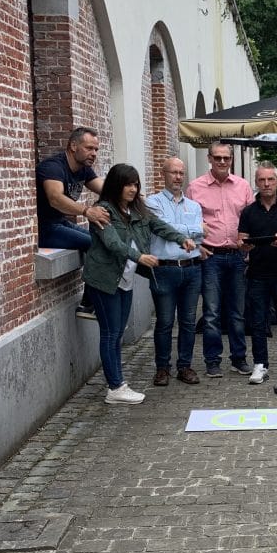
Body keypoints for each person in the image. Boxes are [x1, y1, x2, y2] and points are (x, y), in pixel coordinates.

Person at [83, 163, 195, 405]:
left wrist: (181, 239)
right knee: (110, 333)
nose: (133, 189)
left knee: (117, 333)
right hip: (104, 280)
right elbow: (113, 243)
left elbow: (159, 226)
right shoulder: (103, 210)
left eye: (135, 184)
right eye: (128, 184)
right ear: (116, 185)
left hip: (125, 279)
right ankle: (115, 387)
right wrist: (140, 257)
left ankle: (117, 384)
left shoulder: (136, 209)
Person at [186, 142, 254, 377]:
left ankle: (239, 358)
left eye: (226, 158)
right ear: (209, 158)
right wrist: (197, 246)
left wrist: (249, 248)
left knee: (237, 312)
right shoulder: (195, 188)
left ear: (231, 159)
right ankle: (212, 360)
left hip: (237, 256)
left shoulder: (243, 186)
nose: (222, 162)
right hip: (211, 257)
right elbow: (187, 222)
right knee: (212, 312)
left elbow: (251, 219)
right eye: (217, 157)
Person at [238, 163, 277, 385]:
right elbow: (241, 239)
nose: (266, 184)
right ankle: (260, 364)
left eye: (270, 179)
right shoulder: (248, 211)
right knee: (258, 322)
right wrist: (244, 245)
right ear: (256, 182)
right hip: (257, 275)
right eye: (262, 180)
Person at [36, 126, 109, 318]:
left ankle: (89, 302)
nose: (94, 153)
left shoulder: (83, 169)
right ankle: (88, 304)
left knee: (102, 239)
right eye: (89, 148)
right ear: (73, 146)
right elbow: (55, 198)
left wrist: (133, 196)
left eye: (96, 149)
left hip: (59, 223)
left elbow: (106, 189)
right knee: (95, 244)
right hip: (45, 229)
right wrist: (87, 211)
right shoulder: (53, 167)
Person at [147, 156, 205, 387]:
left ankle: (185, 366)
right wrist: (193, 229)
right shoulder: (152, 203)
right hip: (165, 269)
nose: (178, 177)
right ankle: (162, 368)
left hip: (191, 269)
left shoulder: (194, 206)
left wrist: (194, 231)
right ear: (163, 174)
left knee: (188, 321)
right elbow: (163, 228)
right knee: (164, 321)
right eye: (173, 172)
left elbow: (201, 236)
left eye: (181, 173)